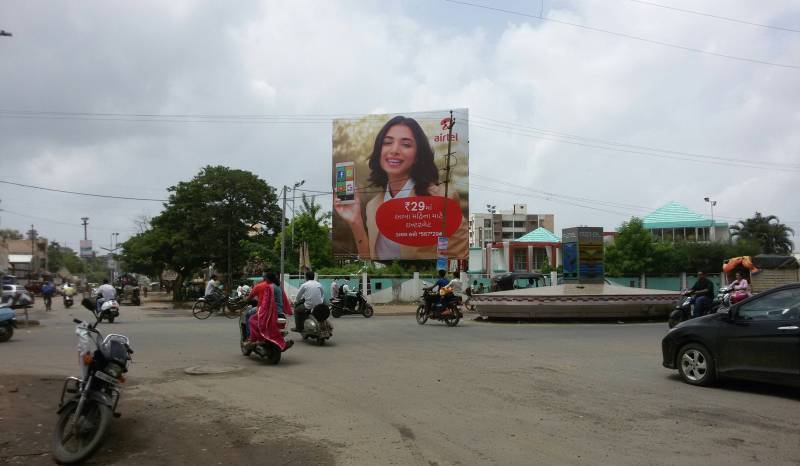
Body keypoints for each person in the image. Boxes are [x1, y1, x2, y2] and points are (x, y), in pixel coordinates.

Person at [333, 115, 468, 260]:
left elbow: (459, 256)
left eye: (406, 144)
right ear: (379, 151)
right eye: (387, 142)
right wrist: (356, 222)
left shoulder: (442, 197)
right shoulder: (373, 206)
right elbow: (371, 261)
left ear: (417, 156)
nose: (394, 150)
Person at [245, 271, 293, 351]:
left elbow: (266, 303)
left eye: (265, 278)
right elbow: (284, 301)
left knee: (251, 320)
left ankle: (254, 339)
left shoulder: (269, 287)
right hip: (280, 312)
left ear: (268, 278)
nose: (265, 279)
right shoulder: (279, 287)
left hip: (271, 313)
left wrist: (260, 312)